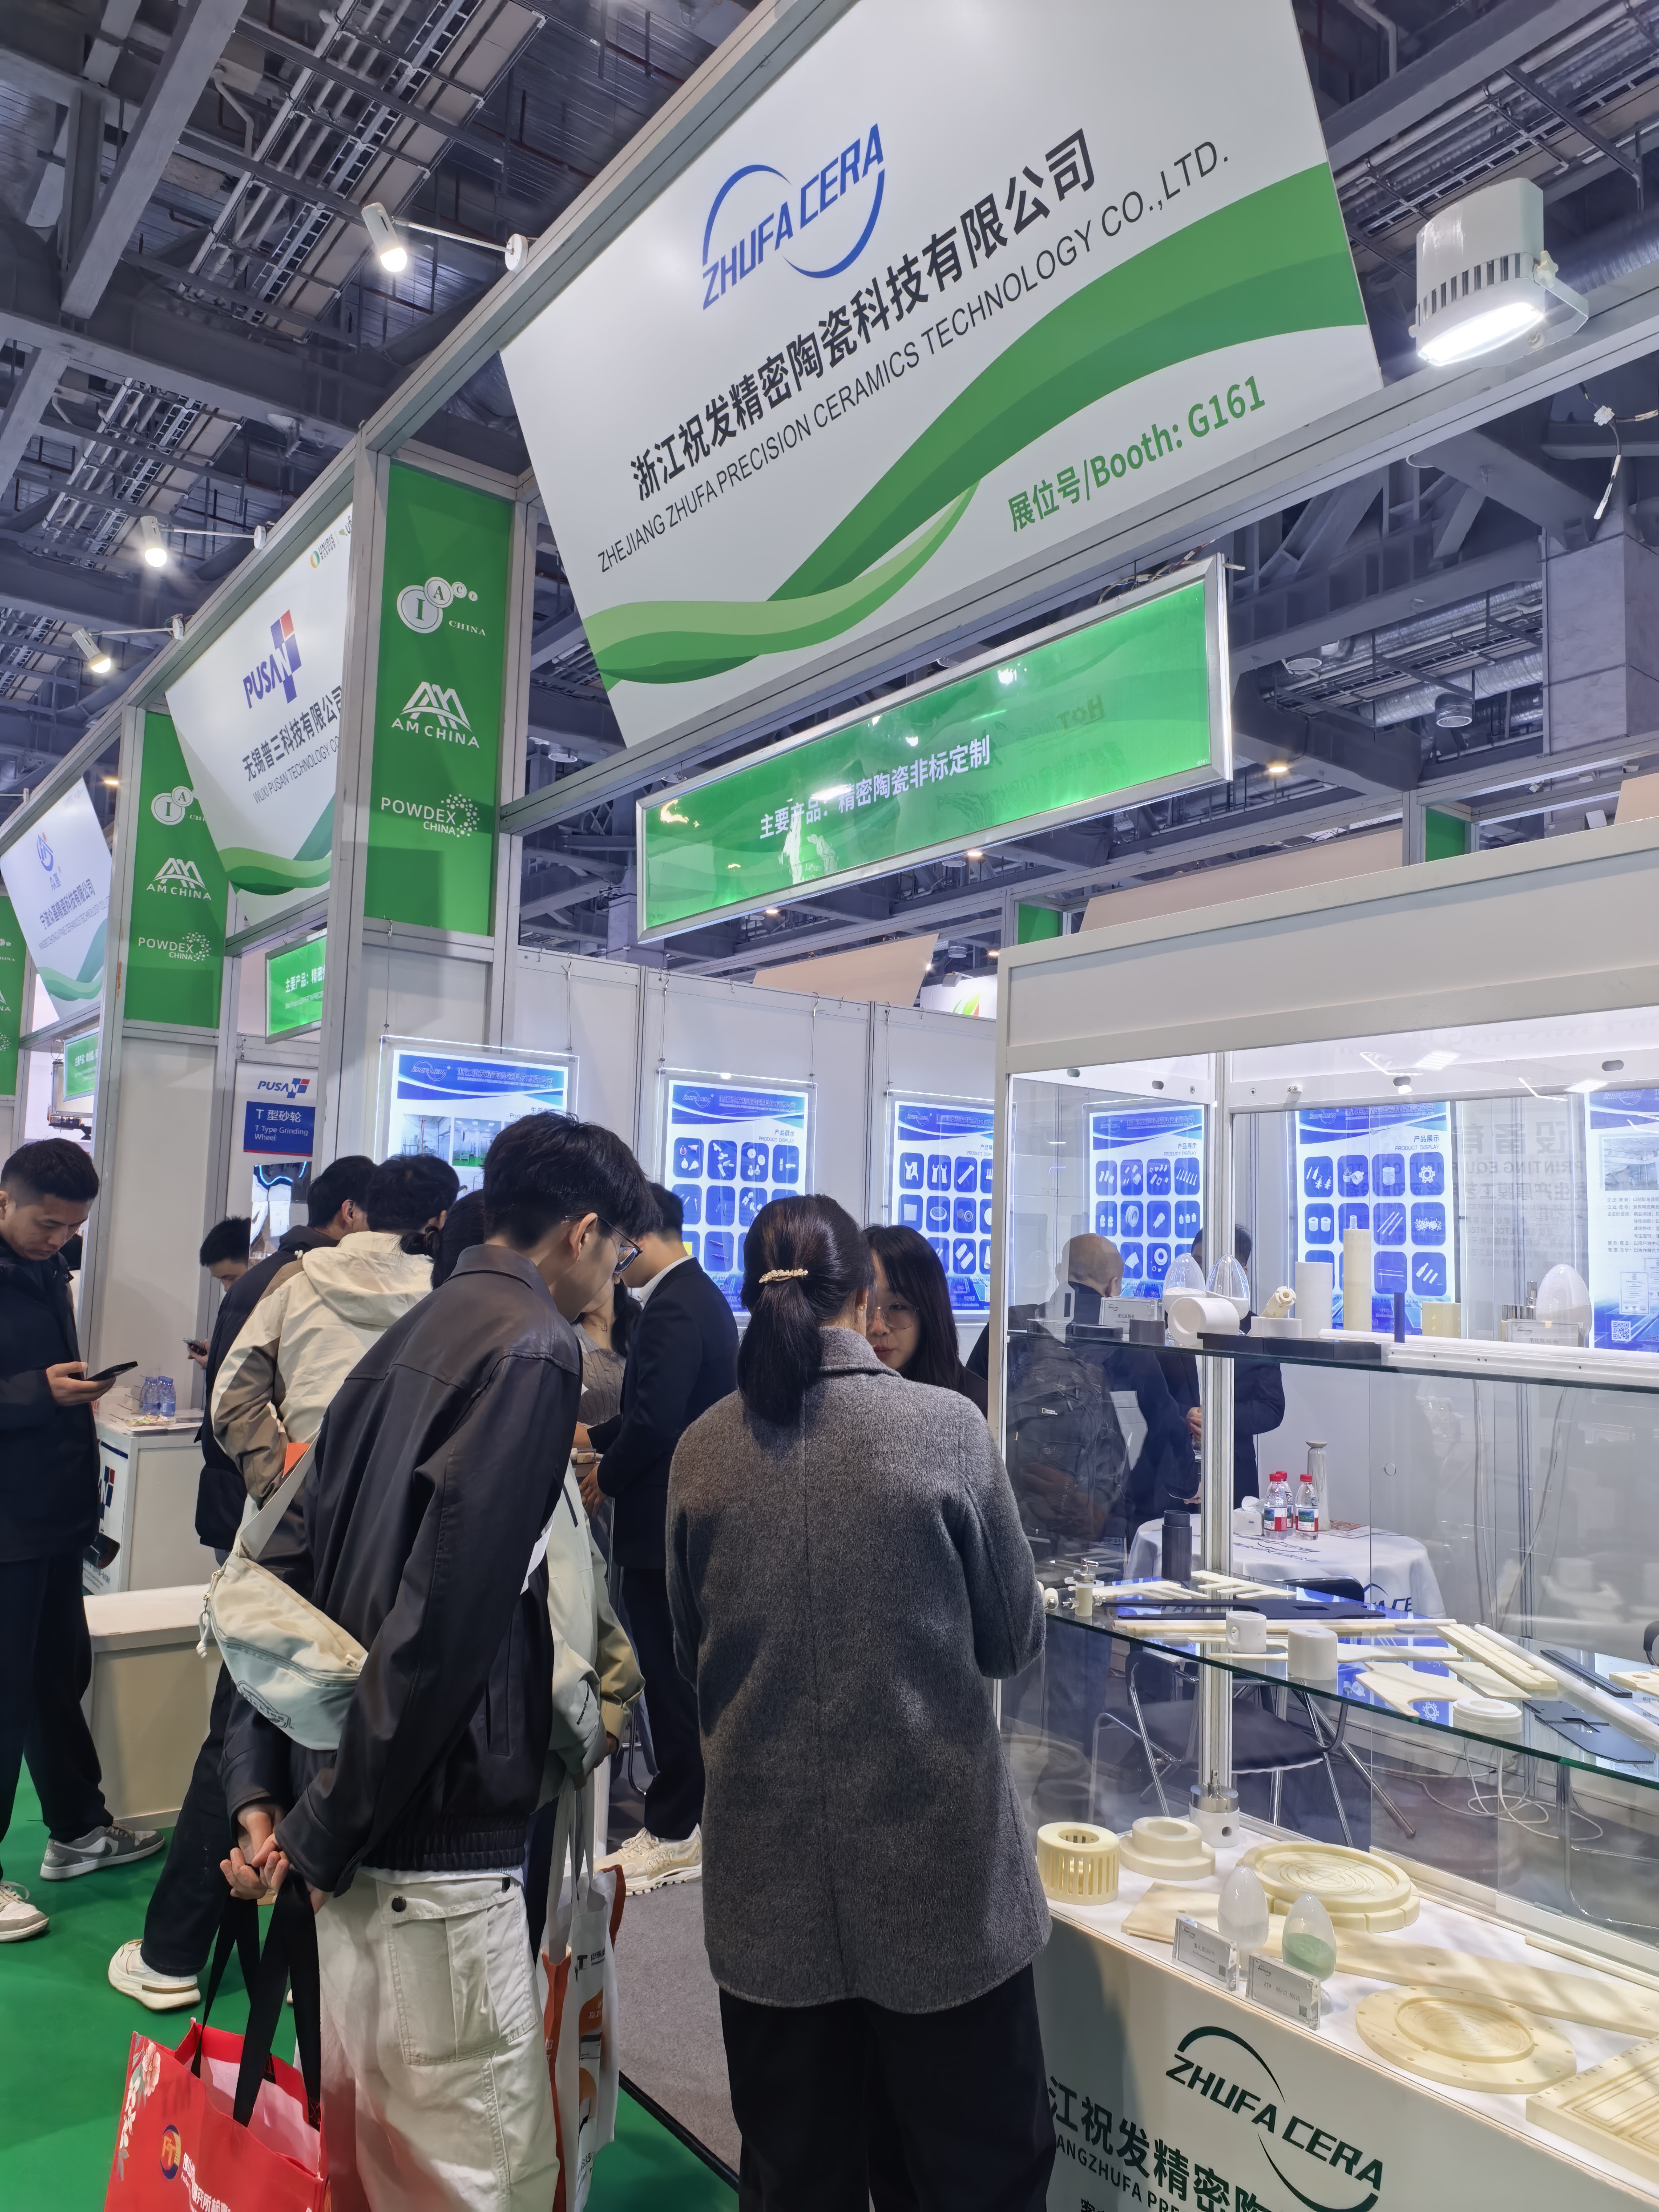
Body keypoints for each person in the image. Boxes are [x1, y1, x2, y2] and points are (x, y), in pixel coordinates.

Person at [220, 1113, 654, 2212]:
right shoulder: (532, 1346)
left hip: (350, 1813)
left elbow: (274, 1578)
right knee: (479, 2177)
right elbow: (445, 1622)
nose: (612, 1276)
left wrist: (269, 1792)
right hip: (432, 1842)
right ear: (583, 1232)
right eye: (615, 1251)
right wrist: (325, 1827)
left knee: (378, 2169)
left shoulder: (415, 1328)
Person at [667, 1195, 1054, 2212]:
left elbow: (688, 1649)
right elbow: (1012, 1639)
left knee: (797, 2180)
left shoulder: (701, 1451)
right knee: (980, 2177)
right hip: (942, 1892)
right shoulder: (946, 1430)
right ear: (865, 1297)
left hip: (766, 1894)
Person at [107, 1154, 375, 2012]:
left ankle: (177, 1954)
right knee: (291, 1731)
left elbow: (231, 1404)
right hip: (327, 1553)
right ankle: (226, 1949)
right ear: (352, 1214)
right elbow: (234, 1406)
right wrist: (290, 1482)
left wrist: (282, 1486)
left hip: (276, 1547)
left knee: (254, 1724)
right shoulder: (366, 1291)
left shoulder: (289, 1283)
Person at [0, 1141, 161, 1946]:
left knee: (57, 1680)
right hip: (6, 1527)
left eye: (74, 1228)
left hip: (56, 1518)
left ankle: (79, 1829)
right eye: (47, 1223)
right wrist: (37, 1392)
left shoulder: (49, 1270)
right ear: (5, 1199)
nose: (60, 1238)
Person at [575, 1182, 736, 1892]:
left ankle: (675, 1830)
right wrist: (595, 1437)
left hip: (664, 1522)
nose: (613, 1260)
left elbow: (659, 1423)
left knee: (670, 1685)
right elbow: (649, 1409)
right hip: (686, 1515)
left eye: (617, 1244)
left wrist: (604, 1476)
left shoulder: (672, 1306)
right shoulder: (697, 1295)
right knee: (681, 1681)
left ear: (638, 1235)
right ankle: (692, 1818)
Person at [211, 1152, 458, 1502]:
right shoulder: (453, 1296)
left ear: (365, 1210)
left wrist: (281, 1485)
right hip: (400, 1512)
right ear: (443, 1219)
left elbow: (233, 1398)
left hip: (298, 1505)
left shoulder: (298, 1278)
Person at [1062, 1233, 1194, 1531]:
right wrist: (1188, 1484)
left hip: (1022, 1498)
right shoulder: (1125, 1342)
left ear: (1060, 1272)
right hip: (1097, 1511)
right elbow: (1163, 1421)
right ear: (1113, 1286)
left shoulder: (1015, 1321)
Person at [1172, 1227, 1286, 1506]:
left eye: (1217, 1270)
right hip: (1171, 1470)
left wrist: (1217, 1418)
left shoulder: (1259, 1331)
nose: (1205, 1278)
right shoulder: (1173, 1322)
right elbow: (1151, 1392)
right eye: (1199, 1264)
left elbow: (1271, 1409)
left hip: (1234, 1472)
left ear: (1242, 1273)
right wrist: (1184, 1414)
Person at [865, 1224, 987, 1411]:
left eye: (897, 1307)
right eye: (864, 1306)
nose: (878, 1328)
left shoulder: (977, 1405)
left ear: (929, 1312)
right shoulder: (831, 1399)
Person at [188, 1218, 251, 1368]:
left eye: (231, 1279)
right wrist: (214, 1360)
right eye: (221, 1280)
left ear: (254, 1262)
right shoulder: (234, 1307)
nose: (227, 1288)